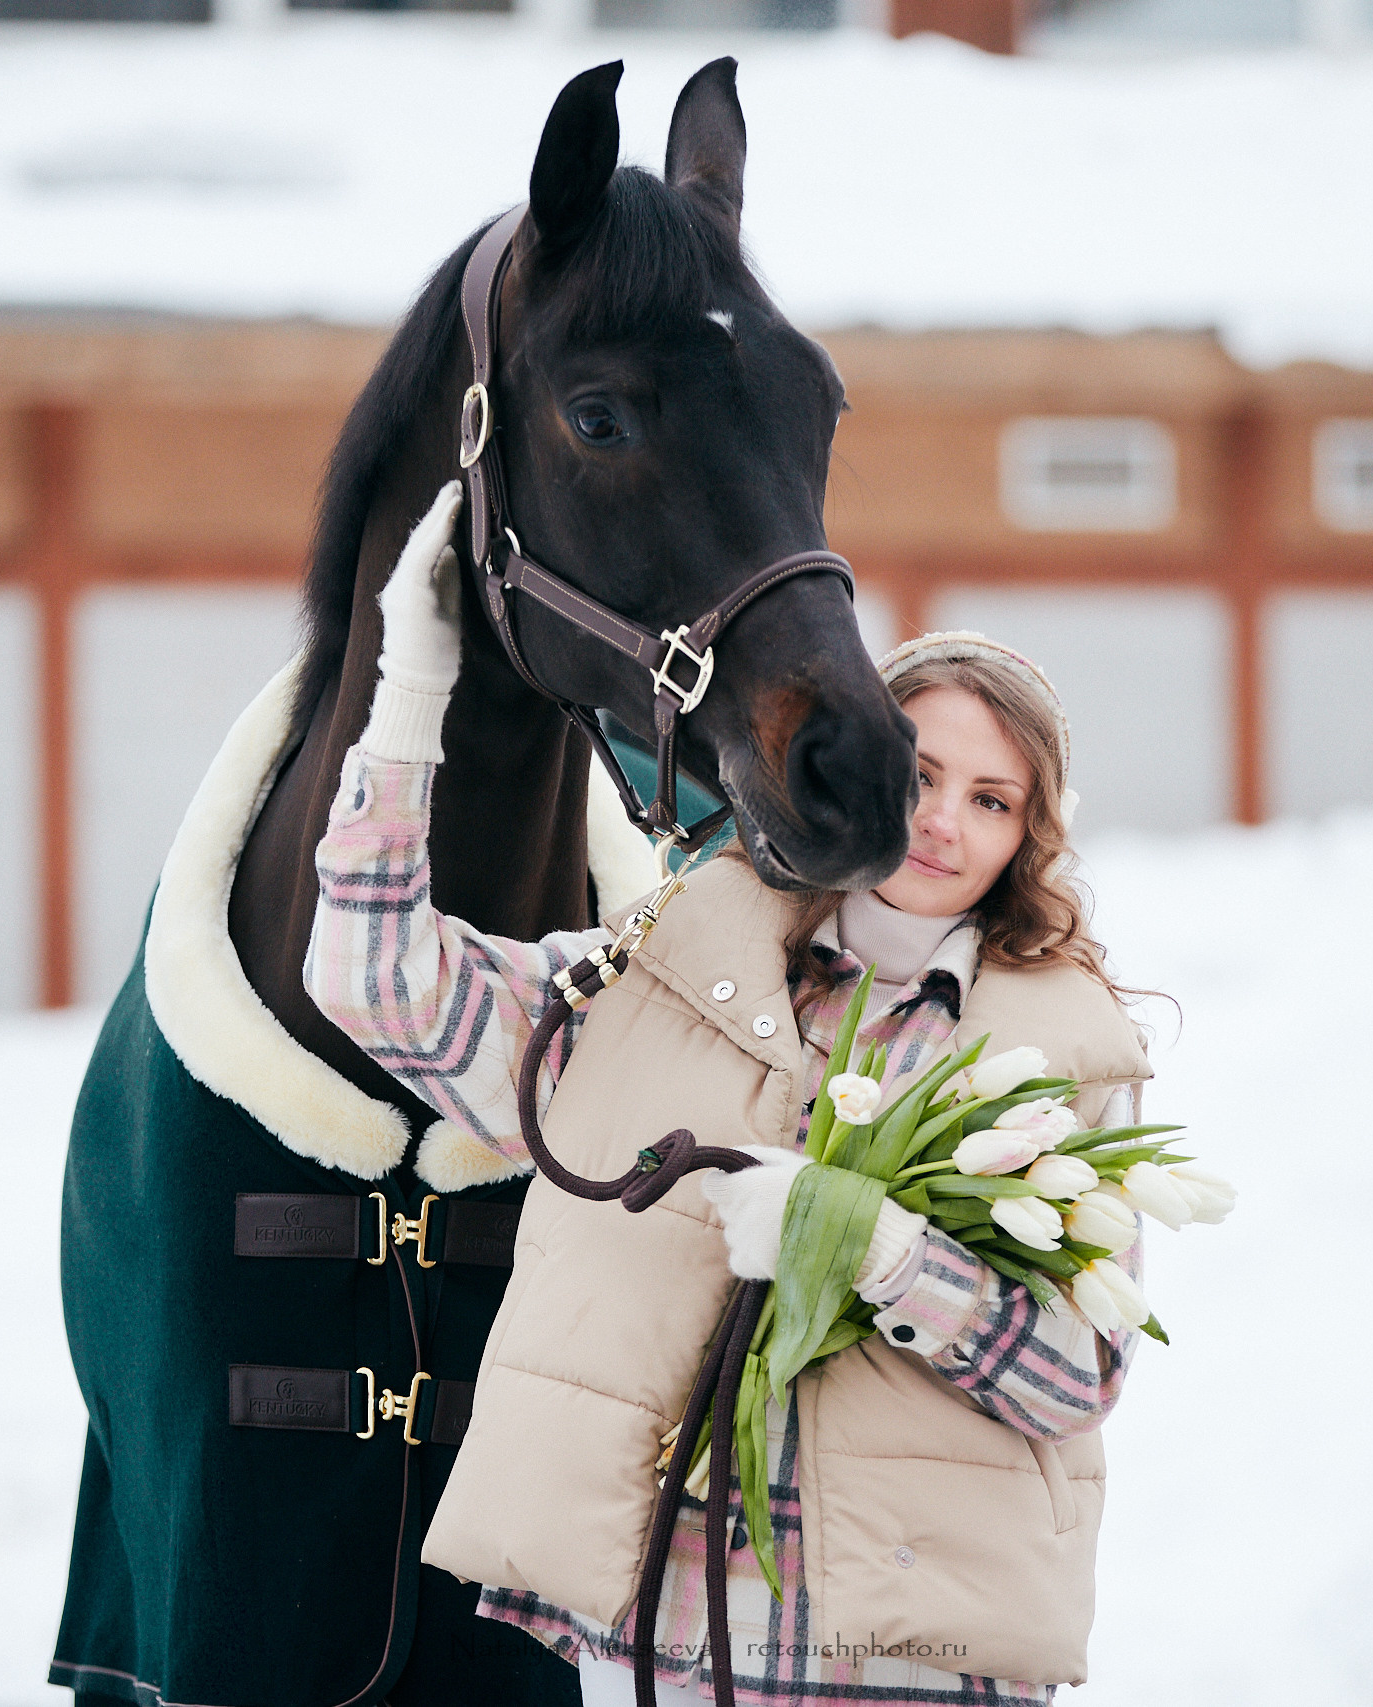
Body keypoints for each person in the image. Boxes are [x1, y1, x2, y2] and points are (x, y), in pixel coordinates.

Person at [305, 485, 1154, 1706]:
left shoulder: (1065, 1060)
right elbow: (373, 979)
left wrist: (873, 1247)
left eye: (991, 800)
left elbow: (1081, 1372)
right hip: (677, 1641)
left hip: (908, 1664)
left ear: (1028, 836)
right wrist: (405, 705)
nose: (941, 822)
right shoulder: (655, 974)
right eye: (918, 772)